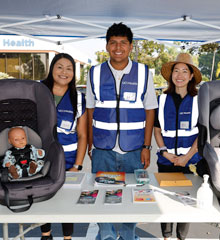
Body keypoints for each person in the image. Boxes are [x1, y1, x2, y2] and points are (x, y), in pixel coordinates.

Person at [86, 22, 158, 240]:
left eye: (123, 43)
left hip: (134, 150)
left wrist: (147, 147)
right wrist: (91, 144)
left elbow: (150, 111)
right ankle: (106, 236)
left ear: (130, 46)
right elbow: (90, 111)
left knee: (134, 197)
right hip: (103, 150)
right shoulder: (95, 73)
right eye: (113, 43)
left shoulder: (144, 73)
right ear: (107, 46)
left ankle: (128, 235)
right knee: (101, 196)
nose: (118, 47)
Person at [154, 53, 203, 240]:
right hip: (166, 161)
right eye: (176, 70)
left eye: (185, 71)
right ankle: (166, 237)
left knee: (186, 202)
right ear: (171, 75)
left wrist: (187, 157)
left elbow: (202, 133)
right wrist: (165, 153)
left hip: (190, 162)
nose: (180, 75)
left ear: (191, 76)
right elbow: (157, 130)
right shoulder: (162, 99)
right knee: (165, 200)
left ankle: (181, 237)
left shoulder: (199, 100)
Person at [40, 53, 87, 240]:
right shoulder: (38, 91)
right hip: (41, 159)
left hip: (68, 161)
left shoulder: (79, 98)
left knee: (67, 201)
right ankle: (46, 234)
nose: (64, 72)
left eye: (69, 68)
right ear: (52, 68)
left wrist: (78, 165)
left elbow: (83, 135)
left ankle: (68, 237)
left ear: (74, 73)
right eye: (59, 66)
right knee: (43, 198)